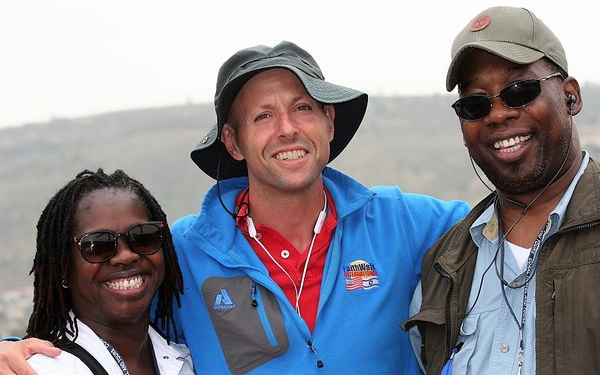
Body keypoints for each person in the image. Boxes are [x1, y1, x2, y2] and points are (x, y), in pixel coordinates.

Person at [0, 41, 469, 374]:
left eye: (303, 107)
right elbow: (105, 322)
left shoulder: (405, 221)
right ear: (233, 141)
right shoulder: (180, 250)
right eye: (262, 116)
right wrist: (12, 350)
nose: (287, 129)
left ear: (328, 121)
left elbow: (511, 227)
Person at [402, 6, 600, 375]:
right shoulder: (445, 264)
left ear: (571, 96)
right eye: (475, 104)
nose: (497, 115)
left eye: (519, 91)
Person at [22, 168, 193, 374]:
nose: (126, 255)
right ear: (64, 268)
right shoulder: (44, 370)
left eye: (143, 237)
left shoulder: (183, 360)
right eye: (98, 245)